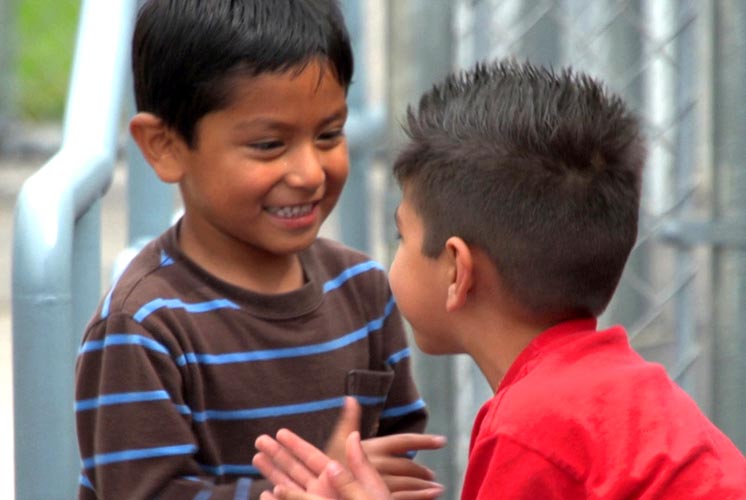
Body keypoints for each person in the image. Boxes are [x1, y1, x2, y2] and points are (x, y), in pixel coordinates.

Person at [251, 59, 746, 499]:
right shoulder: (615, 393)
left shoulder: (532, 428)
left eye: (399, 236)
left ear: (456, 270)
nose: (390, 260)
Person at [74, 1, 446, 499]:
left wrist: (362, 478)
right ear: (164, 145)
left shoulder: (362, 290)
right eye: (270, 144)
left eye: (329, 134)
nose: (310, 173)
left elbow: (394, 455)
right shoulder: (144, 327)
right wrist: (313, 489)